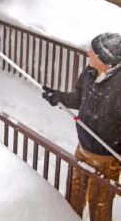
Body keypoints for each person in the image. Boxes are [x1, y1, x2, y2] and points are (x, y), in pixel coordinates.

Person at [42, 32, 121, 221]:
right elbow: (79, 97)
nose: (88, 54)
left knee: (98, 207)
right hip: (83, 146)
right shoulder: (90, 72)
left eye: (92, 51)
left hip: (106, 157)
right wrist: (59, 97)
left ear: (104, 58)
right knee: (73, 195)